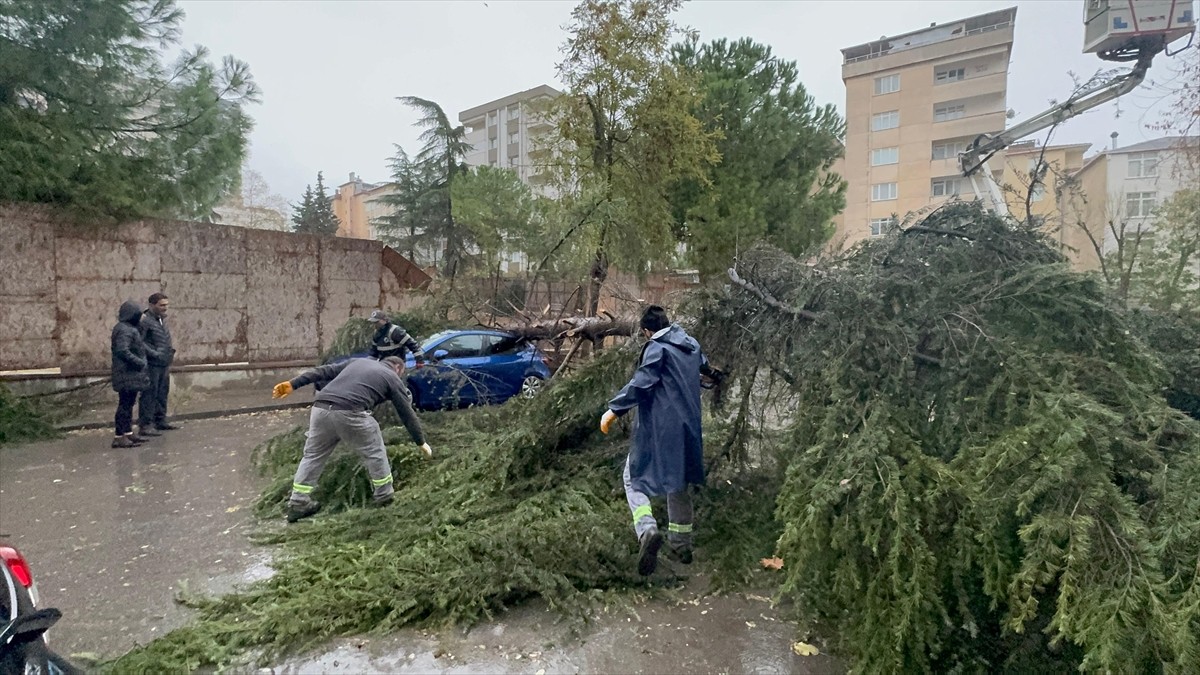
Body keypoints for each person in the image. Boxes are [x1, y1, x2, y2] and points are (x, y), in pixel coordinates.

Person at [600, 305, 709, 576]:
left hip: (660, 429)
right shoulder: (691, 344)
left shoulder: (657, 348)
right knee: (679, 480)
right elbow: (705, 368)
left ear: (648, 331)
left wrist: (614, 410)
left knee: (632, 475)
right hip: (689, 429)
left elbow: (642, 383)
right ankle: (681, 543)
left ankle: (647, 530)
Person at [271, 356, 433, 523]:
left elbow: (323, 371)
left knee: (312, 456)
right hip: (350, 412)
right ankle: (384, 495)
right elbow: (407, 414)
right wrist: (421, 442)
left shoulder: (358, 362)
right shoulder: (391, 377)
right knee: (374, 451)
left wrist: (293, 384)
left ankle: (298, 502)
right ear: (399, 368)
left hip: (320, 409)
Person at [110, 300, 151, 448]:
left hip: (129, 374)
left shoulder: (128, 328)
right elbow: (122, 350)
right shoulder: (125, 329)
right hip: (127, 374)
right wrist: (139, 362)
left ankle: (127, 433)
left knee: (128, 404)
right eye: (139, 314)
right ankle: (119, 436)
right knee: (124, 406)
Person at [137, 292, 178, 437]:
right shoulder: (145, 321)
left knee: (162, 392)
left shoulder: (161, 320)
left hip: (163, 362)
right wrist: (154, 353)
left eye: (166, 305)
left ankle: (160, 420)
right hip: (152, 364)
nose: (165, 308)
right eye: (161, 305)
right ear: (152, 305)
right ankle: (146, 424)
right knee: (149, 393)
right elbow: (139, 342)